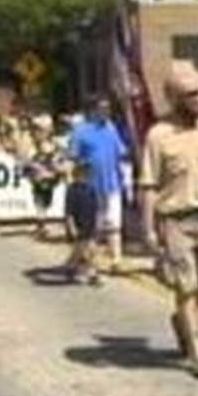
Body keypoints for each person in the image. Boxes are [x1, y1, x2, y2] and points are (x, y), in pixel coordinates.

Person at [139, 64, 198, 380]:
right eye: (191, 94)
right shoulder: (158, 135)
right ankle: (195, 351)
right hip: (174, 219)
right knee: (186, 286)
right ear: (175, 98)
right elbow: (148, 185)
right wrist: (148, 228)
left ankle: (183, 323)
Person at [70, 95, 130, 274]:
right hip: (90, 187)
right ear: (92, 111)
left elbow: (121, 151)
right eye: (102, 109)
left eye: (108, 109)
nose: (106, 112)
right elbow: (73, 156)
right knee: (93, 227)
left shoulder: (111, 128)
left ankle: (116, 260)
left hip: (112, 184)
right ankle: (88, 261)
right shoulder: (80, 131)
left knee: (113, 224)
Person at [25, 115, 65, 240]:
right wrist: (36, 169)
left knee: (47, 201)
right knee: (39, 200)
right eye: (38, 130)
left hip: (51, 176)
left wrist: (55, 168)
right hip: (39, 177)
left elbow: (59, 157)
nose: (40, 133)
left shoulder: (54, 144)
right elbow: (28, 160)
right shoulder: (33, 145)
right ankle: (41, 225)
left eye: (43, 130)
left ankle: (42, 223)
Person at [63, 160, 101, 286]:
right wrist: (71, 226)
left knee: (91, 250)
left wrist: (99, 223)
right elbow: (69, 211)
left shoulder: (91, 190)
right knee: (82, 250)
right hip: (78, 225)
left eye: (87, 174)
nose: (84, 177)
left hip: (90, 224)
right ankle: (81, 270)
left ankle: (91, 272)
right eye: (81, 174)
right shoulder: (72, 190)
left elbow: (96, 209)